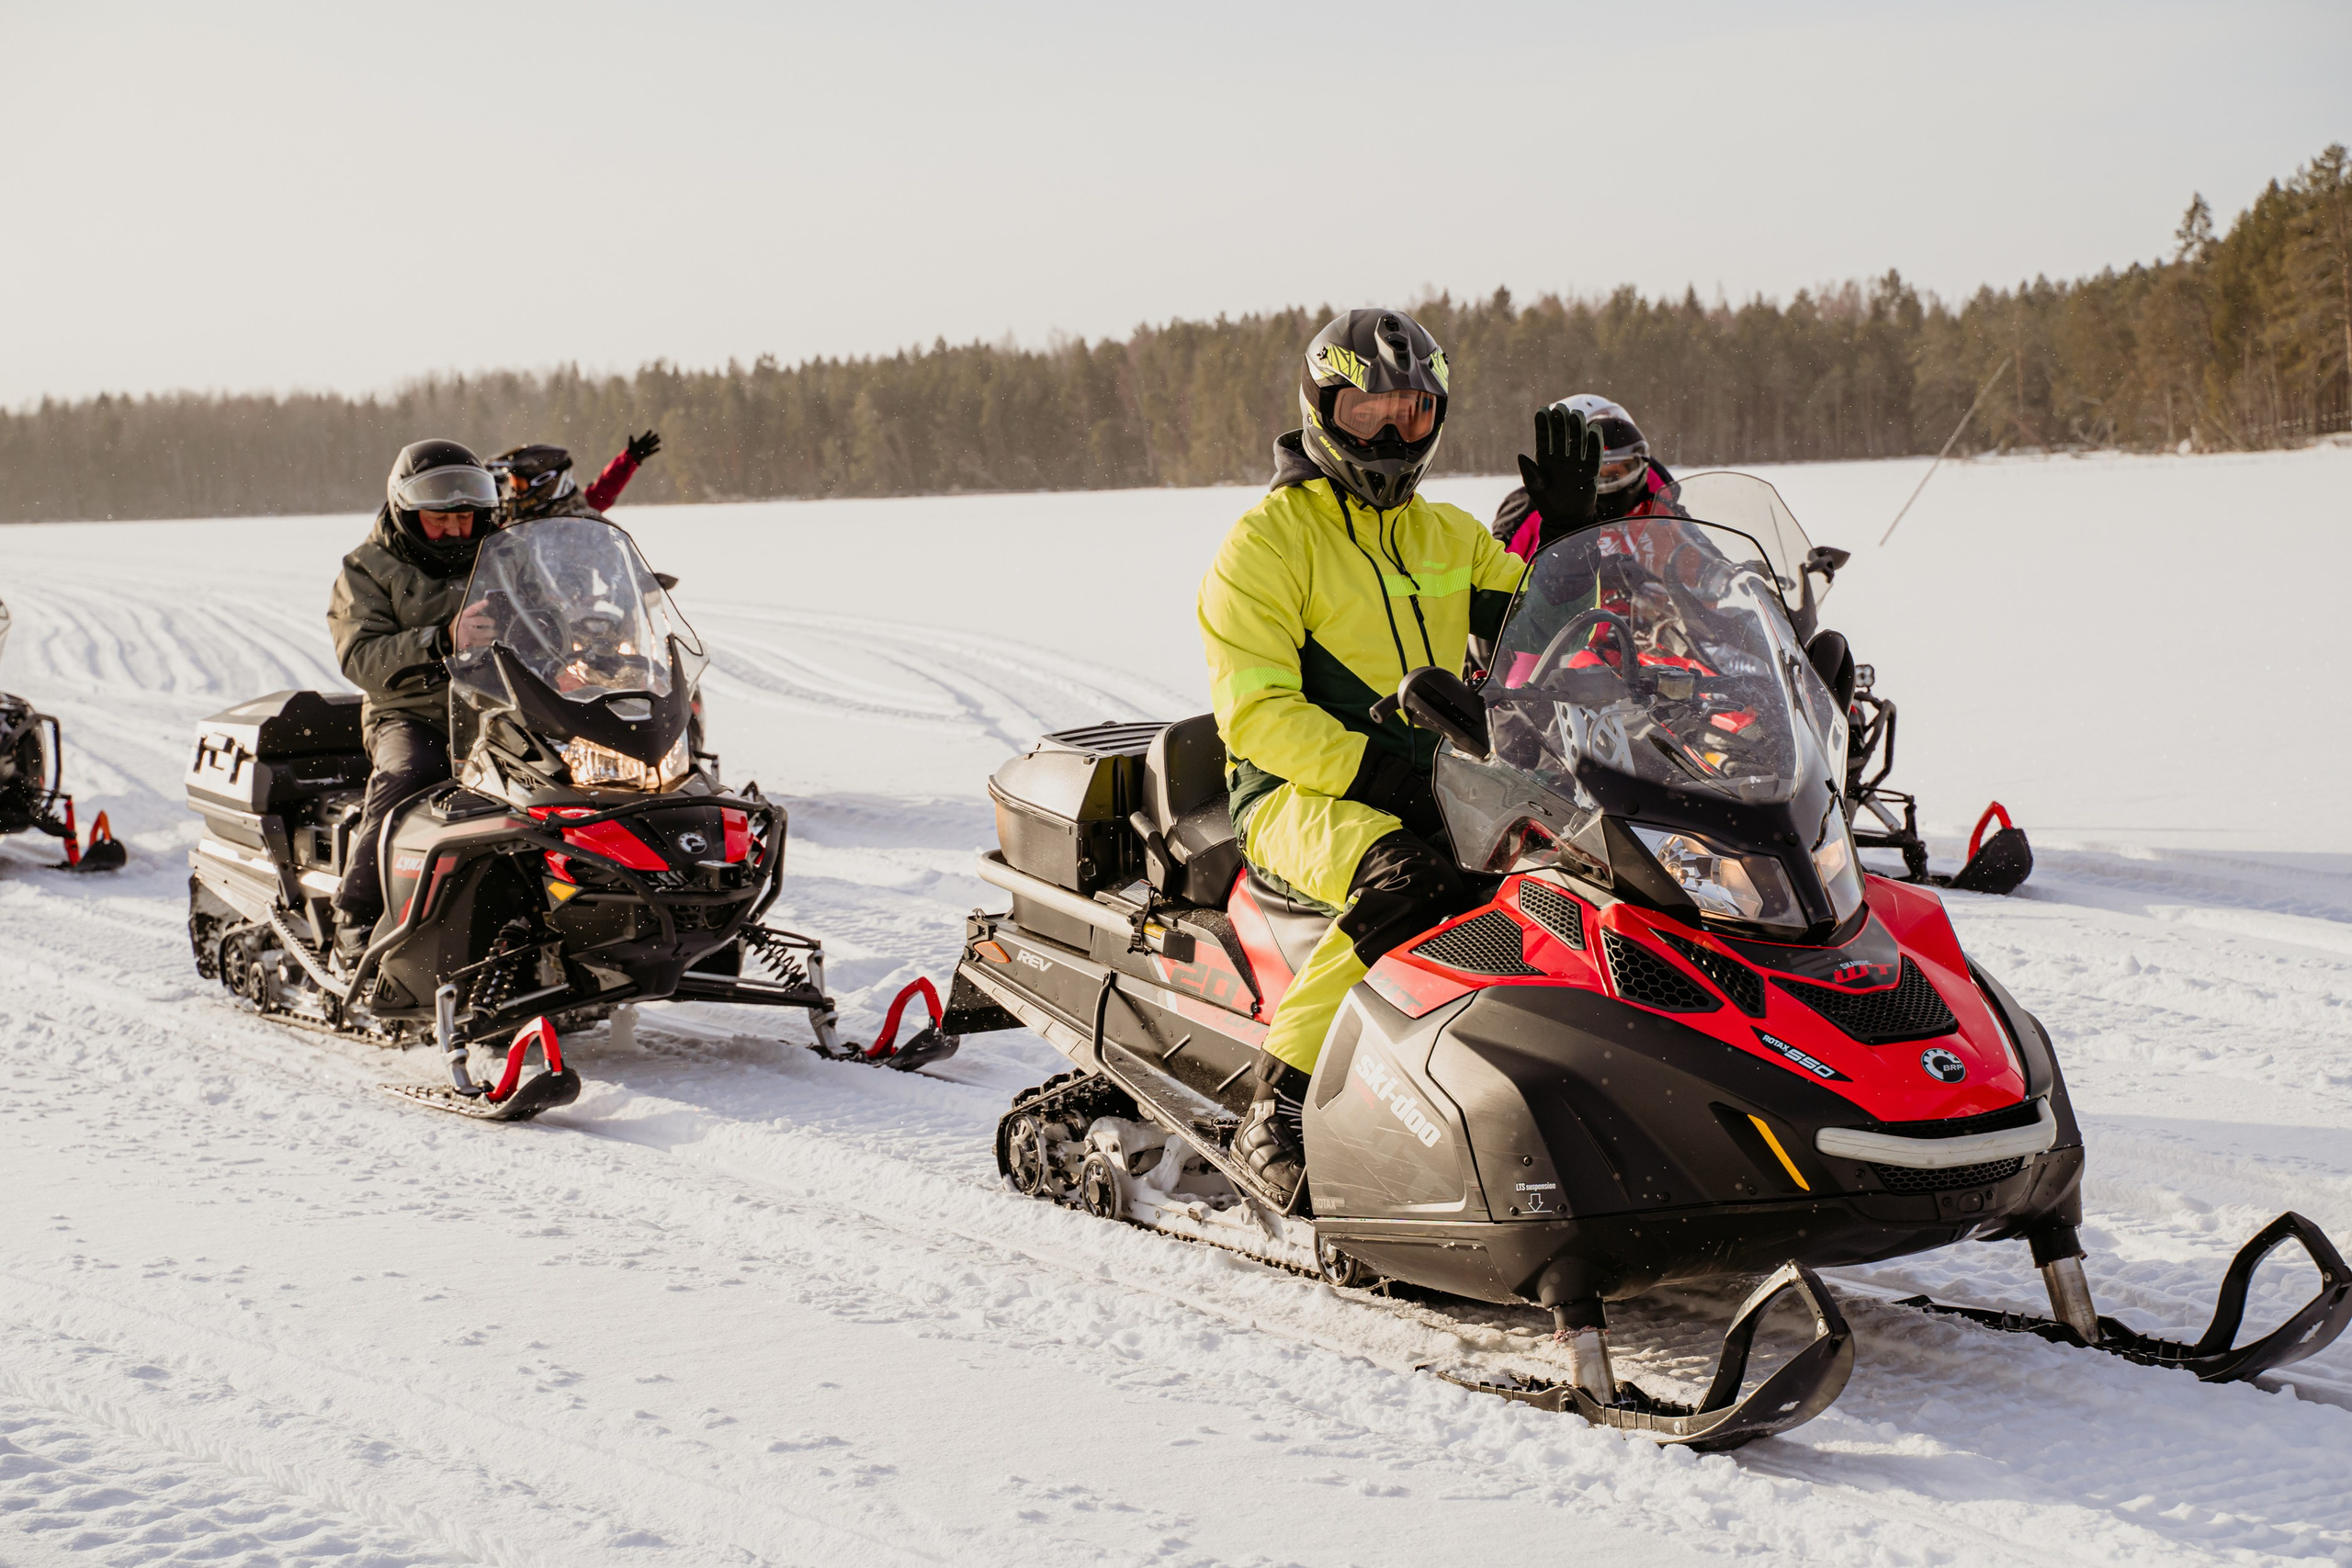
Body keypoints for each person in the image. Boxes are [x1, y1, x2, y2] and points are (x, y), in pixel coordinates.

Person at [1197, 308, 1606, 1203]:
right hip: (1295, 793)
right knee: (1411, 879)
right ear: (1320, 408)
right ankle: (1283, 1095)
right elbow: (1257, 715)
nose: (1390, 433)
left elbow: (1549, 637)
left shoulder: (1448, 535)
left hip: (1449, 778)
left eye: (1412, 414)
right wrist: (1386, 778)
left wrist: (1571, 542)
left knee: (1569, 885)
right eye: (1367, 412)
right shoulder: (1266, 543)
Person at [324, 439, 504, 965]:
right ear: (407, 512)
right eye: (438, 519)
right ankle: (356, 912)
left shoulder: (506, 554)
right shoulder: (367, 568)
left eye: (465, 518)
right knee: (410, 775)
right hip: (410, 711)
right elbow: (359, 655)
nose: (454, 529)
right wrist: (442, 639)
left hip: (504, 708)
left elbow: (548, 608)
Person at [1490, 394, 1672, 559]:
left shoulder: (1656, 496)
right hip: (1554, 593)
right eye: (1601, 469)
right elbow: (1498, 575)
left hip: (1645, 595)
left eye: (1622, 468)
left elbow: (1690, 552)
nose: (1611, 480)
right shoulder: (1532, 507)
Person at [489, 430, 662, 525]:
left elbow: (603, 492)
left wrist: (628, 461)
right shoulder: (511, 518)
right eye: (513, 485)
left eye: (519, 485)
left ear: (545, 482)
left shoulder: (575, 515)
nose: (515, 492)